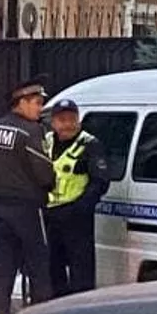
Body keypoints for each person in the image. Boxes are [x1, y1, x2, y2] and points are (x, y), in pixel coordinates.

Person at [0, 79, 57, 314]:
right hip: (28, 208)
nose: (40, 108)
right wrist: (50, 183)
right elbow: (44, 173)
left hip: (0, 208)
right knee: (38, 267)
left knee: (2, 268)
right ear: (21, 103)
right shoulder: (30, 131)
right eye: (36, 103)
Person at [43, 98, 114, 298]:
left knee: (81, 270)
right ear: (53, 122)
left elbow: (100, 181)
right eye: (62, 120)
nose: (67, 124)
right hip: (49, 214)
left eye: (72, 119)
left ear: (79, 120)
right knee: (51, 267)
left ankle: (80, 310)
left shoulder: (90, 145)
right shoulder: (46, 142)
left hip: (76, 216)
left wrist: (81, 208)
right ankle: (55, 308)